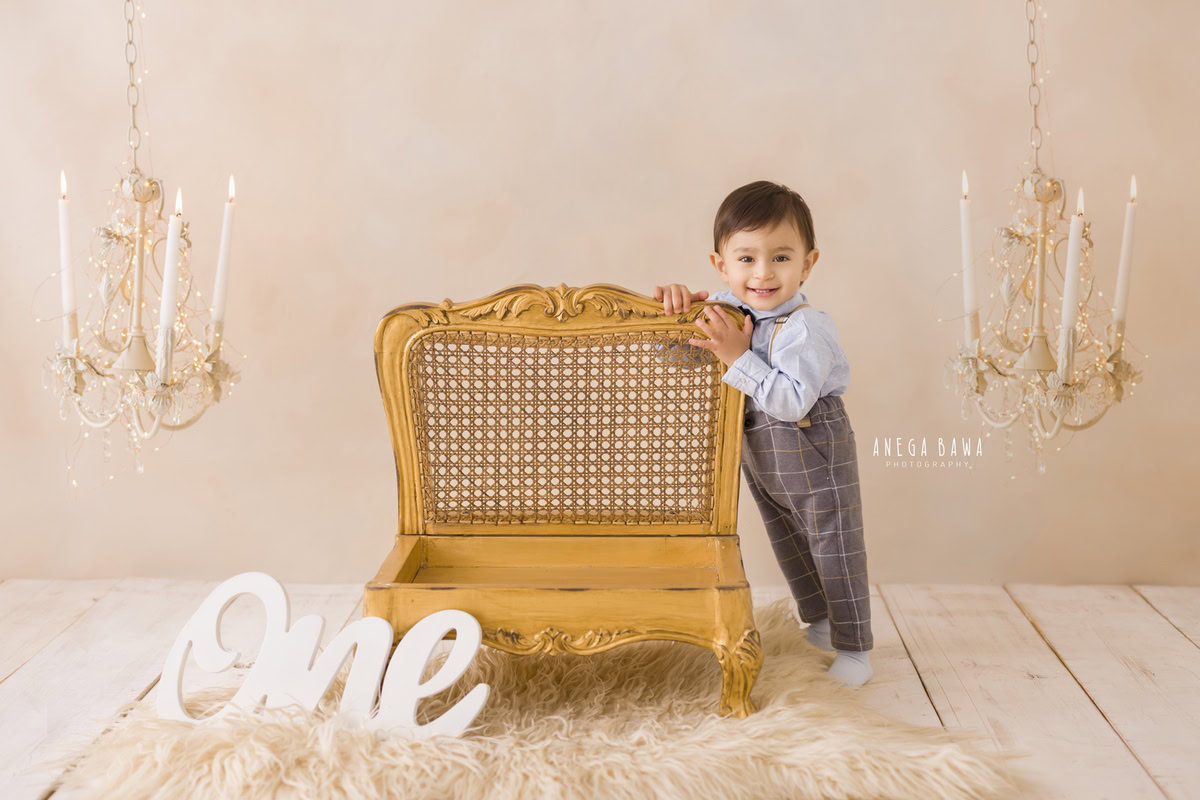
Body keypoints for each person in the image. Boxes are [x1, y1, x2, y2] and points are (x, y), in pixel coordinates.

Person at [653, 179, 873, 687]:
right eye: (747, 258)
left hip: (813, 441)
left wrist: (737, 355)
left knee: (834, 540)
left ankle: (856, 646)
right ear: (721, 266)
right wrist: (675, 310)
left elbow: (795, 398)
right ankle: (819, 621)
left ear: (808, 263)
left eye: (780, 257)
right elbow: (678, 360)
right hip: (761, 450)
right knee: (789, 538)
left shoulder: (806, 326)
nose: (763, 273)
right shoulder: (729, 315)